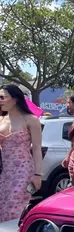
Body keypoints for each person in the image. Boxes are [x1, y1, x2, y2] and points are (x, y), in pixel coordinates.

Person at [0, 85, 43, 222]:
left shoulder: (31, 120)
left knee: (14, 206)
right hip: (4, 170)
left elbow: (37, 148)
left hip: (23, 170)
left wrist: (37, 175)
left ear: (15, 99)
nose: (0, 100)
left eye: (2, 97)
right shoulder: (1, 119)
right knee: (2, 205)